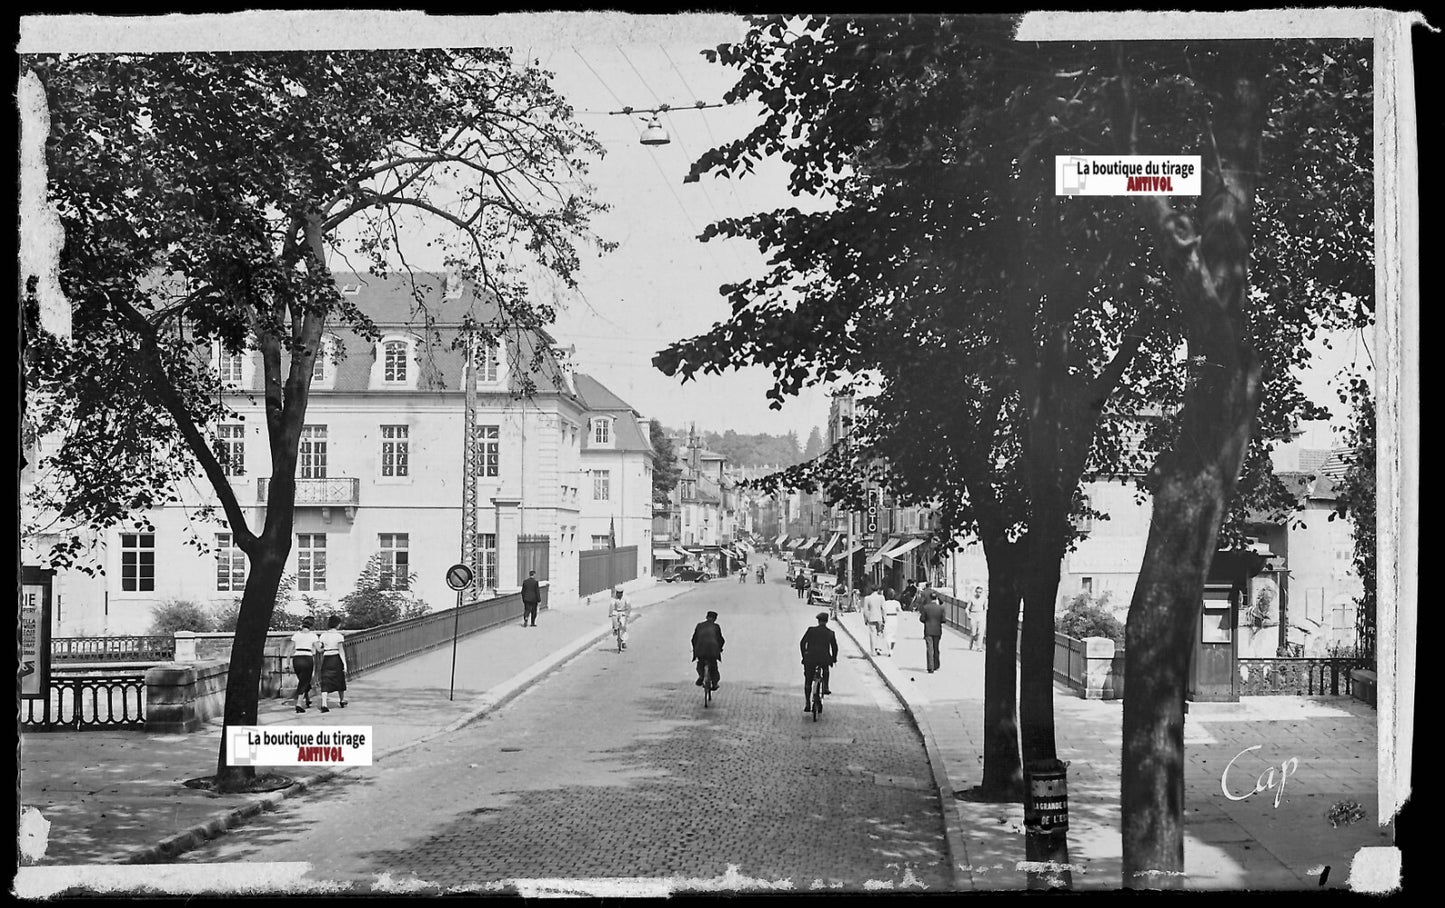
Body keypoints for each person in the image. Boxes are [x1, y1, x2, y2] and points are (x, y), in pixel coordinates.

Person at [800, 611, 838, 710]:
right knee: (825, 670)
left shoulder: (811, 630)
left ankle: (807, 703)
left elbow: (802, 643)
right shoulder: (830, 633)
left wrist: (804, 655)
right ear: (826, 621)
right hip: (824, 658)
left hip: (810, 658)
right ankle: (825, 687)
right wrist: (834, 659)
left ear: (818, 621)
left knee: (808, 681)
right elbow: (835, 647)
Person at [316, 615, 348, 712]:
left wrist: (325, 648)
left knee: (325, 680)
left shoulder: (323, 635)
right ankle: (342, 700)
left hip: (326, 658)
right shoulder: (339, 636)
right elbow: (341, 650)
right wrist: (344, 664)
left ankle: (324, 704)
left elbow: (319, 649)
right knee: (339, 678)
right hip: (335, 658)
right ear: (337, 624)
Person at [289, 617, 320, 713]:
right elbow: (319, 649)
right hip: (307, 658)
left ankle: (307, 698)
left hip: (297, 658)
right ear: (311, 625)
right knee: (305, 680)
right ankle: (299, 704)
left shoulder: (296, 635)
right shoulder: (313, 636)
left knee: (302, 679)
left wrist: (287, 662)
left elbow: (290, 649)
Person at [691, 610, 725, 690]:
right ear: (715, 619)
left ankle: (701, 676)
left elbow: (694, 639)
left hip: (700, 649)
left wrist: (695, 649)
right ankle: (714, 683)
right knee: (713, 666)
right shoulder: (716, 627)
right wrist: (720, 649)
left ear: (706, 617)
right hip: (712, 650)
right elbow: (721, 640)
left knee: (700, 663)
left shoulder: (699, 625)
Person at [918, 585, 947, 673]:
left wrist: (927, 621)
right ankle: (936, 665)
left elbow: (922, 619)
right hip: (937, 630)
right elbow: (943, 620)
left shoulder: (926, 607)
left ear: (930, 598)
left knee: (929, 648)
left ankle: (930, 667)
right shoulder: (940, 608)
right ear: (936, 599)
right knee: (936, 648)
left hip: (928, 630)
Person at [861, 583, 885, 655]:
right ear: (878, 590)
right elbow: (883, 608)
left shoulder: (867, 598)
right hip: (879, 618)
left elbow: (865, 610)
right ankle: (878, 647)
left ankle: (873, 651)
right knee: (880, 633)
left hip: (871, 618)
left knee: (872, 634)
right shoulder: (881, 598)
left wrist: (865, 619)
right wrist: (884, 618)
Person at [607, 585, 633, 649]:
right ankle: (615, 629)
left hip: (623, 611)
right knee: (614, 616)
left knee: (624, 626)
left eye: (620, 593)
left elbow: (629, 606)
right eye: (617, 593)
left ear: (622, 593)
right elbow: (612, 606)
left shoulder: (626, 597)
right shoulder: (614, 598)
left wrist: (628, 613)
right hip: (616, 611)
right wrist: (610, 613)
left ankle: (623, 642)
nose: (619, 594)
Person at [881, 587, 902, 656]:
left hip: (887, 618)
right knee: (893, 634)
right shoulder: (896, 603)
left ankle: (889, 649)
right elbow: (900, 611)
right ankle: (892, 649)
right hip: (894, 618)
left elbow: (882, 611)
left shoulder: (885, 603)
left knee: (887, 635)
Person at [967, 584, 987, 651]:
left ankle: (979, 647)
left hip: (981, 615)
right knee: (973, 632)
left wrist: (984, 615)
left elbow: (985, 608)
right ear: (975, 592)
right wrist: (968, 615)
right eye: (977, 592)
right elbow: (967, 608)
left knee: (980, 632)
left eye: (980, 592)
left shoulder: (984, 599)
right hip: (973, 615)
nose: (979, 593)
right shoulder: (972, 598)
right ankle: (971, 642)